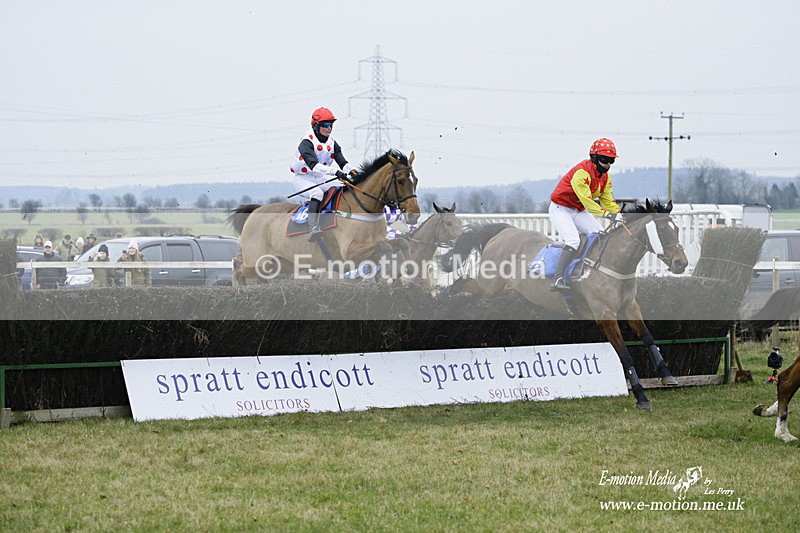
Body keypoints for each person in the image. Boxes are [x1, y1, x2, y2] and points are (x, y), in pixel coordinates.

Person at [548, 137, 622, 291]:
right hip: (560, 209)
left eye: (611, 161)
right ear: (594, 158)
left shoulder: (606, 178)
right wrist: (608, 215)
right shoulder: (582, 172)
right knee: (573, 241)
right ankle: (558, 278)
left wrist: (619, 214)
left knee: (600, 234)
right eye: (604, 159)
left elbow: (608, 201)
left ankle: (591, 271)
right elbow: (588, 201)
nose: (608, 164)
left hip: (577, 210)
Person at [290, 107, 359, 242]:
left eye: (331, 125)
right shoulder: (306, 142)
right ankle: (313, 228)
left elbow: (342, 162)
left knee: (345, 185)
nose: (329, 128)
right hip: (304, 179)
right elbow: (313, 165)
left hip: (320, 177)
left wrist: (352, 171)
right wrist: (335, 172)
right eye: (325, 125)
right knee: (317, 194)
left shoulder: (332, 142)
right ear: (315, 125)